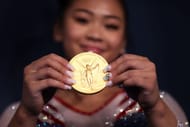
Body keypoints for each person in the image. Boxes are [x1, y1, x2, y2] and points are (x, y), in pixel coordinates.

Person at [0, 0, 189, 127]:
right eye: (82, 20)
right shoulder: (20, 112)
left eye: (111, 26)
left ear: (123, 41)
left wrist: (155, 107)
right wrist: (26, 114)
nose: (95, 34)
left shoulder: (160, 104)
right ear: (59, 29)